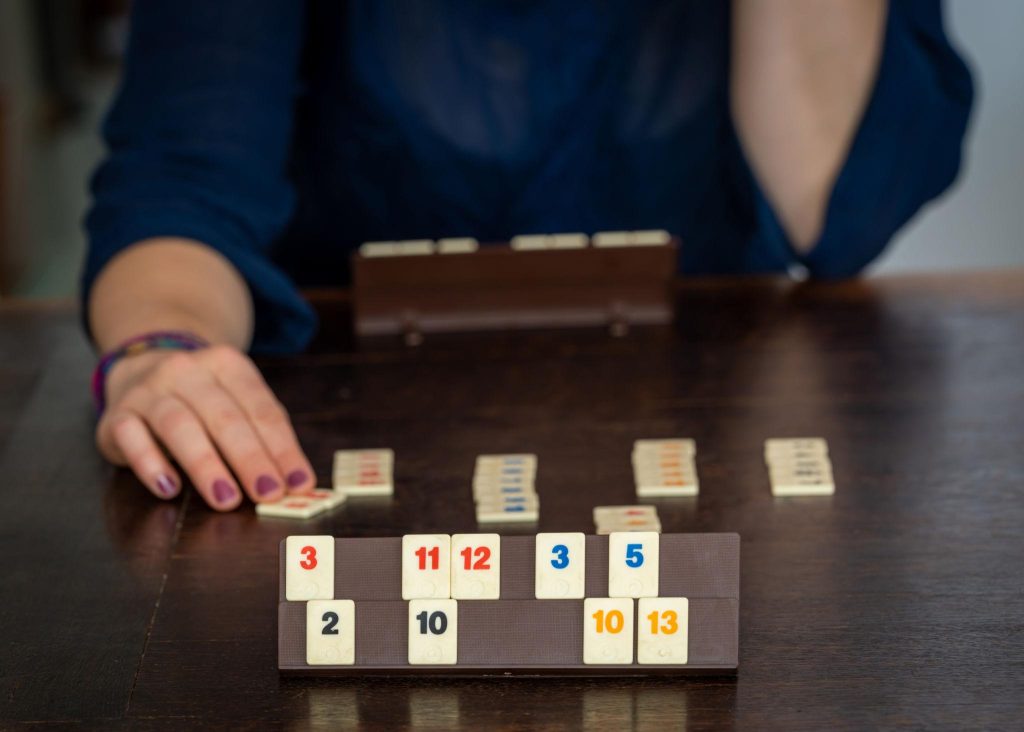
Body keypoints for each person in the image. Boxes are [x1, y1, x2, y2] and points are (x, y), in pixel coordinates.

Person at [83, 1, 973, 511]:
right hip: (344, 421)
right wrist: (164, 350)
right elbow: (180, 183)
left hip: (727, 435)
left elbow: (831, 219)